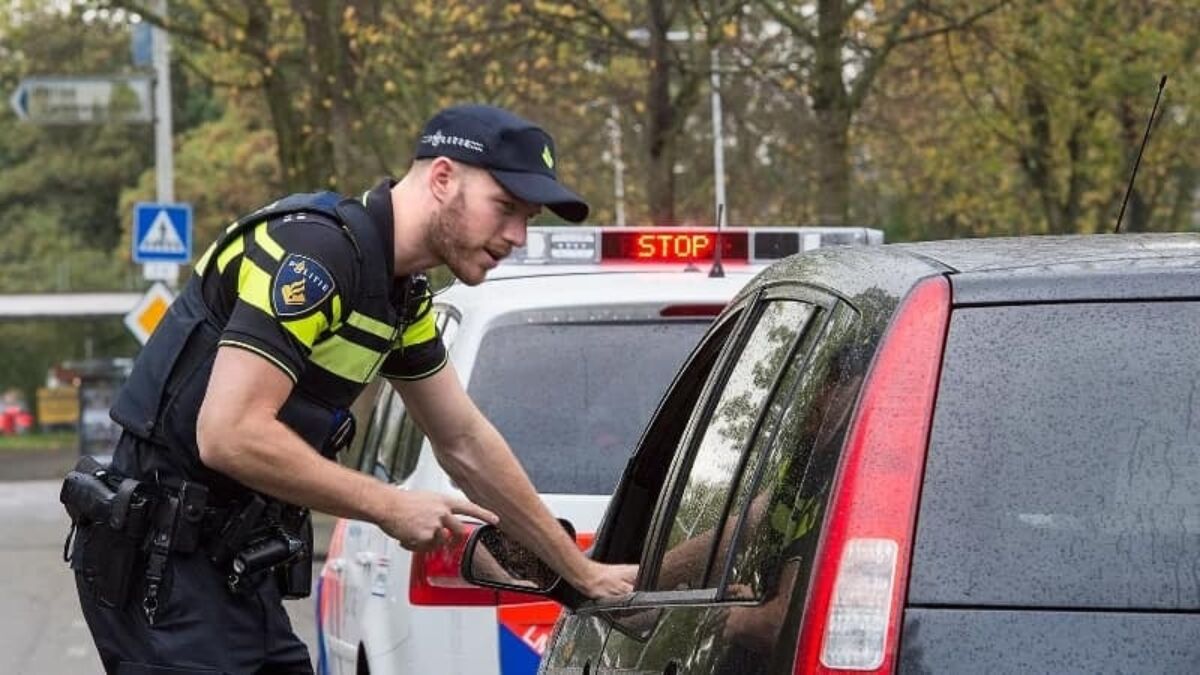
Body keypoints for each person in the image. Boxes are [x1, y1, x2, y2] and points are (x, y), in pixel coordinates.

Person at [62, 104, 637, 674]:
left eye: (528, 217)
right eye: (505, 208)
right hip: (163, 570)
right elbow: (229, 434)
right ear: (442, 178)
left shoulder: (399, 296)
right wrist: (388, 505)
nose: (517, 235)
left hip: (231, 568)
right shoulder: (313, 256)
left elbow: (464, 441)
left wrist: (580, 574)